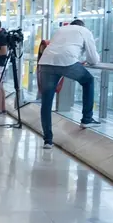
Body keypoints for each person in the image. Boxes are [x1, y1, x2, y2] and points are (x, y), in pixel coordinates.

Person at [37, 19, 101, 149]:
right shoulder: (85, 31)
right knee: (88, 81)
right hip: (67, 62)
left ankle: (48, 140)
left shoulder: (60, 30)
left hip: (46, 62)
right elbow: (93, 59)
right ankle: (86, 119)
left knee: (47, 102)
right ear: (82, 26)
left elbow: (60, 47)